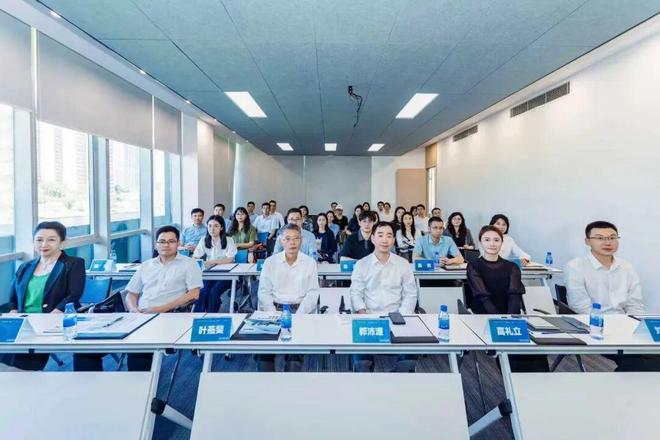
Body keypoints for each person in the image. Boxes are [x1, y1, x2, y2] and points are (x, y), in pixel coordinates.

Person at [75, 226, 202, 372]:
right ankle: (90, 386)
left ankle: (139, 385)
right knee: (85, 350)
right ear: (156, 244)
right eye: (162, 241)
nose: (166, 245)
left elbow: (194, 294)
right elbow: (131, 294)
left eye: (171, 241)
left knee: (139, 349)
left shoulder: (189, 264)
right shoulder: (146, 265)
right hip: (138, 316)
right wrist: (134, 310)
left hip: (167, 317)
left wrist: (160, 309)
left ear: (178, 243)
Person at [566, 221, 659, 371]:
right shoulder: (576, 266)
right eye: (600, 238)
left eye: (612, 237)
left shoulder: (626, 267)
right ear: (587, 241)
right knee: (640, 363)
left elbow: (635, 304)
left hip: (625, 327)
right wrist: (610, 329)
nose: (607, 242)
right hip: (595, 329)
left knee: (651, 356)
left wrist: (638, 330)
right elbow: (580, 306)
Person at [2, 221, 85, 371]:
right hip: (23, 322)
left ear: (62, 242)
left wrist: (52, 316)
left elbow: (74, 294)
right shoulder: (25, 266)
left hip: (52, 321)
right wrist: (13, 312)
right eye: (39, 240)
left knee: (20, 363)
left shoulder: (73, 264)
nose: (44, 244)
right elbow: (13, 297)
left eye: (51, 240)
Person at [467, 225, 548, 372]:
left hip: (510, 313)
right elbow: (483, 296)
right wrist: (500, 322)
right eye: (487, 240)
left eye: (496, 240)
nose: (492, 244)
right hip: (485, 314)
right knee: (508, 347)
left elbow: (514, 295)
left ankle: (537, 381)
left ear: (502, 243)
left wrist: (510, 320)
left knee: (531, 348)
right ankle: (513, 378)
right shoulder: (474, 265)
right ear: (480, 243)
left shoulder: (512, 267)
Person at [350, 221, 418, 372]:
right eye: (380, 235)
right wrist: (363, 313)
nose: (385, 240)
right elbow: (356, 293)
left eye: (389, 236)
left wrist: (401, 316)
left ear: (393, 240)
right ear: (372, 238)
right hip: (369, 318)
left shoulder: (403, 264)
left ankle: (394, 379)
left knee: (409, 359)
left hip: (397, 316)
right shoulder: (361, 264)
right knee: (362, 364)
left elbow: (410, 294)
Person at [257, 224, 320, 372]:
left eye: (296, 238)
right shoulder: (270, 262)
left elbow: (312, 293)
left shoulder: (309, 263)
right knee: (264, 355)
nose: (292, 242)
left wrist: (299, 316)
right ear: (280, 240)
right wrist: (273, 314)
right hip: (273, 310)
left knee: (294, 359)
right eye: (288, 239)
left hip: (299, 311)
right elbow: (264, 292)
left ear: (301, 240)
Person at [193, 215, 237, 312]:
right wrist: (200, 262)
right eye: (210, 226)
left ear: (221, 228)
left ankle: (211, 315)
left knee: (214, 292)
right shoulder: (204, 239)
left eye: (216, 226)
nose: (212, 229)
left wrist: (212, 261)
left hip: (226, 275)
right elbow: (195, 257)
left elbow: (230, 259)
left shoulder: (229, 240)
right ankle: (198, 316)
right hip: (209, 274)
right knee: (203, 291)